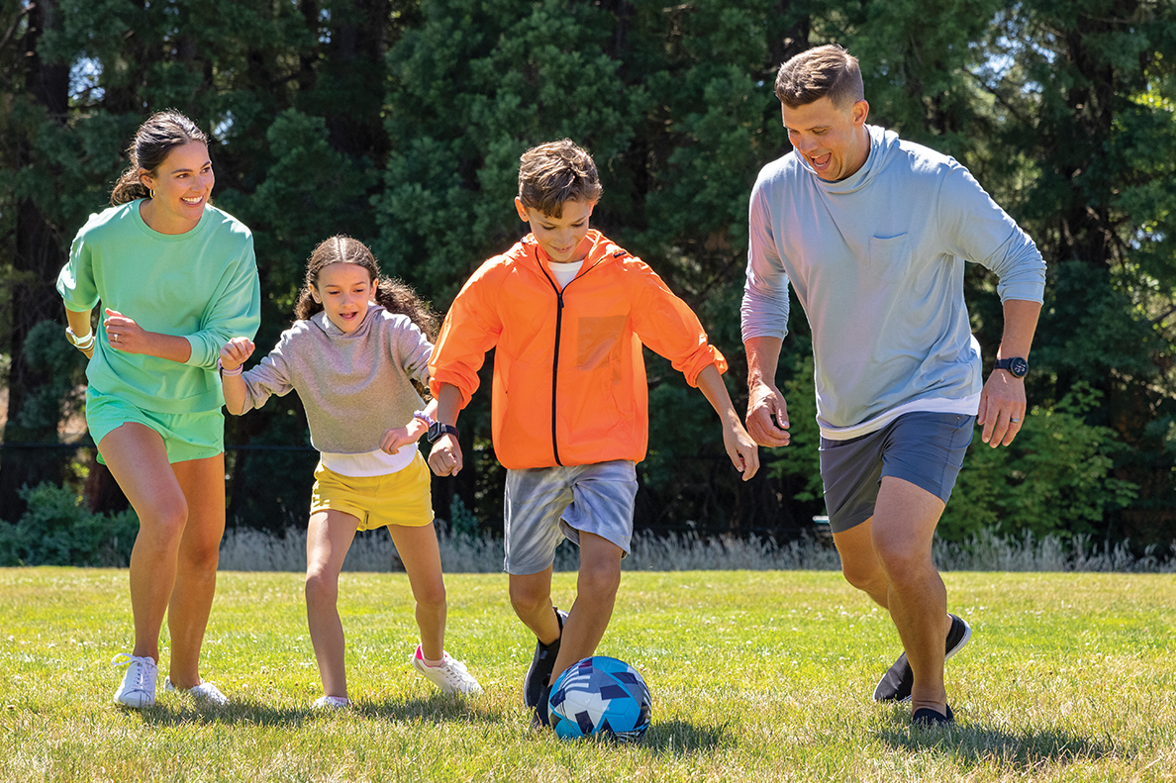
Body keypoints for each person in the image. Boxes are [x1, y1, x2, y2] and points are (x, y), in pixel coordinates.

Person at [741, 44, 1045, 726]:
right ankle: (936, 626)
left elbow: (1021, 259)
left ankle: (930, 698)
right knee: (861, 568)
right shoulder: (776, 189)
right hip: (846, 404)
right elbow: (763, 290)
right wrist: (760, 381)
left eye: (819, 130)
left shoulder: (930, 179)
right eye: (792, 131)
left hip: (935, 385)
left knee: (900, 545)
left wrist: (1010, 369)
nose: (805, 147)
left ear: (860, 113)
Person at [427, 139, 760, 726]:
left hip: (608, 449)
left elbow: (690, 347)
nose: (564, 238)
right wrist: (444, 429)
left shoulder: (625, 276)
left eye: (577, 223)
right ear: (523, 211)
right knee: (525, 597)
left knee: (602, 575)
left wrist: (731, 420)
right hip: (530, 457)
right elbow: (455, 363)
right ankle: (553, 637)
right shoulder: (499, 280)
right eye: (548, 225)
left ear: (593, 207)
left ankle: (554, 706)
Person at [218, 236, 481, 707]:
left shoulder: (394, 330)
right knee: (317, 581)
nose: (347, 301)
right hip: (338, 482)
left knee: (432, 595)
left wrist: (419, 428)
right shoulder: (300, 342)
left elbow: (444, 384)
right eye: (334, 291)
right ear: (314, 292)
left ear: (374, 288)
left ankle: (434, 659)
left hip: (401, 479)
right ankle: (335, 696)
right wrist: (232, 371)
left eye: (358, 289)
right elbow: (241, 403)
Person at [56, 110, 261, 708]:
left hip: (194, 406)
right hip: (122, 398)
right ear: (147, 179)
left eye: (206, 169)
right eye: (182, 175)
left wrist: (150, 342)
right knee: (167, 516)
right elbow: (76, 293)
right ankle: (141, 663)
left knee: (202, 547)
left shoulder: (232, 240)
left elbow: (224, 340)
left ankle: (186, 677)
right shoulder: (105, 234)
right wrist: (84, 340)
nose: (200, 185)